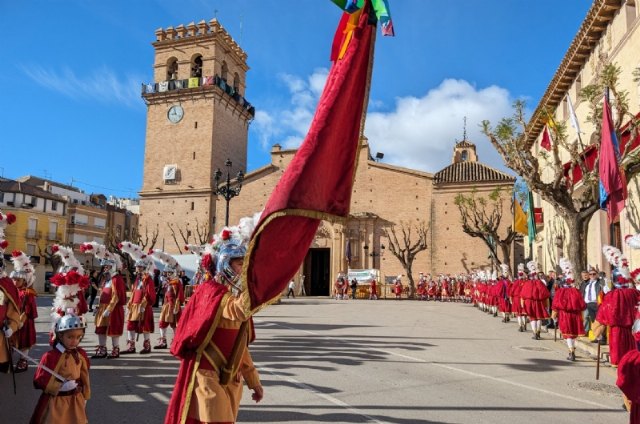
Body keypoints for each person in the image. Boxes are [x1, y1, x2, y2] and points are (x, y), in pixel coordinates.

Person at [165, 223, 263, 424]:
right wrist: (261, 286)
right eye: (239, 265)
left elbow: (240, 347)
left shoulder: (232, 296)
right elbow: (237, 309)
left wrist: (254, 381)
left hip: (230, 377)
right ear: (225, 265)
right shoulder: (212, 293)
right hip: (207, 375)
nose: (243, 270)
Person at [31, 311, 91, 424]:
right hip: (56, 401)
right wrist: (60, 387)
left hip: (75, 399)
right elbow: (40, 379)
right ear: (60, 336)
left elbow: (84, 376)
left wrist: (85, 394)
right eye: (70, 337)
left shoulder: (80, 354)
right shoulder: (51, 356)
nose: (75, 341)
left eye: (79, 337)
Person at [592, 245, 640, 366]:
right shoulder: (636, 293)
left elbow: (604, 315)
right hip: (635, 330)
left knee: (621, 362)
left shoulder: (612, 296)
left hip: (617, 333)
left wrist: (598, 331)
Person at [119, 241, 156, 355]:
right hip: (134, 307)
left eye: (140, 267)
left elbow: (149, 294)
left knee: (144, 327)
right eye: (137, 267)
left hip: (142, 307)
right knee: (130, 326)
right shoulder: (138, 279)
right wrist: (129, 305)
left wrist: (144, 305)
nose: (138, 269)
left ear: (144, 268)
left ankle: (147, 346)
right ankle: (131, 346)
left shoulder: (148, 279)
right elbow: (134, 292)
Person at [551, 258, 586, 361]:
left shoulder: (561, 292)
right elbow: (581, 305)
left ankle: (571, 352)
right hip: (575, 315)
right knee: (573, 334)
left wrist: (554, 316)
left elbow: (556, 305)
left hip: (565, 315)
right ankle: (572, 350)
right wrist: (582, 316)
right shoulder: (576, 291)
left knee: (568, 334)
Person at [10, 250, 38, 373]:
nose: (15, 282)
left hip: (24, 322)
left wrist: (21, 321)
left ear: (25, 281)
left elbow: (28, 310)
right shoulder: (12, 291)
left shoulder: (28, 293)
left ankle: (23, 360)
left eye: (18, 280)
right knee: (11, 340)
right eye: (14, 280)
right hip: (13, 320)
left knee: (24, 342)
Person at [150, 255, 185, 350]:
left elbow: (179, 296)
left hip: (174, 306)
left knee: (174, 324)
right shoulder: (168, 282)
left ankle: (176, 341)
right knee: (162, 322)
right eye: (167, 273)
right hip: (166, 305)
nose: (168, 274)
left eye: (170, 273)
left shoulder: (177, 282)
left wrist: (176, 306)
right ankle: (163, 340)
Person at [520, 261, 550, 340]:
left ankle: (535, 332)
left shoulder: (528, 283)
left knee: (533, 317)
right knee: (539, 317)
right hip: (539, 302)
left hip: (530, 302)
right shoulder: (540, 283)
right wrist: (547, 305)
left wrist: (523, 304)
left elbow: (523, 295)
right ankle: (538, 332)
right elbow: (545, 294)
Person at [580, 266, 606, 342]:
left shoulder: (600, 283)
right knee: (593, 321)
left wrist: (602, 280)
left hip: (597, 304)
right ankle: (598, 336)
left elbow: (605, 290)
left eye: (594, 274)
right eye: (590, 274)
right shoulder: (587, 284)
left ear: (597, 274)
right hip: (589, 304)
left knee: (600, 321)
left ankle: (603, 338)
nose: (592, 276)